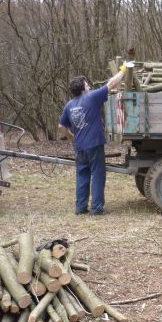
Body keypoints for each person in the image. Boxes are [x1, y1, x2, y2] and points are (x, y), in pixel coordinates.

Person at [58, 65, 128, 215]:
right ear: (84, 87)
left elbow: (60, 126)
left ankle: (81, 207)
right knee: (97, 175)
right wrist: (123, 69)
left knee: (82, 175)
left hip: (79, 147)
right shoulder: (91, 97)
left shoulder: (69, 105)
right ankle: (96, 209)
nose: (89, 85)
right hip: (94, 144)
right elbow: (111, 84)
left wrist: (71, 137)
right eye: (87, 84)